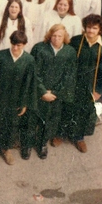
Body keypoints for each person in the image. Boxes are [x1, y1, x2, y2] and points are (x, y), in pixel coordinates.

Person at [0, 31, 36, 167]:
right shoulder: (0, 56)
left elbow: (29, 84)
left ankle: (6, 148)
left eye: (19, 45)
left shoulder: (29, 60)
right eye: (13, 44)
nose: (15, 48)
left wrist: (24, 103)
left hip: (15, 100)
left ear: (25, 45)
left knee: (11, 124)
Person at [60, 14, 102, 152]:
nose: (90, 31)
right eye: (88, 27)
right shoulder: (76, 41)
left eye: (94, 28)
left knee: (84, 111)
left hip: (91, 85)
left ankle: (79, 137)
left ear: (100, 30)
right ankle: (61, 133)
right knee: (67, 107)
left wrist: (99, 91)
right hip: (73, 82)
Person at [30, 24, 77, 160]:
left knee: (50, 119)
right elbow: (34, 72)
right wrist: (43, 91)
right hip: (39, 91)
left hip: (56, 94)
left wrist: (55, 92)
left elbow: (69, 75)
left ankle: (42, 143)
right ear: (49, 35)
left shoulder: (69, 52)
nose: (56, 39)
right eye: (54, 35)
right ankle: (28, 143)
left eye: (59, 36)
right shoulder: (39, 48)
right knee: (34, 116)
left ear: (64, 37)